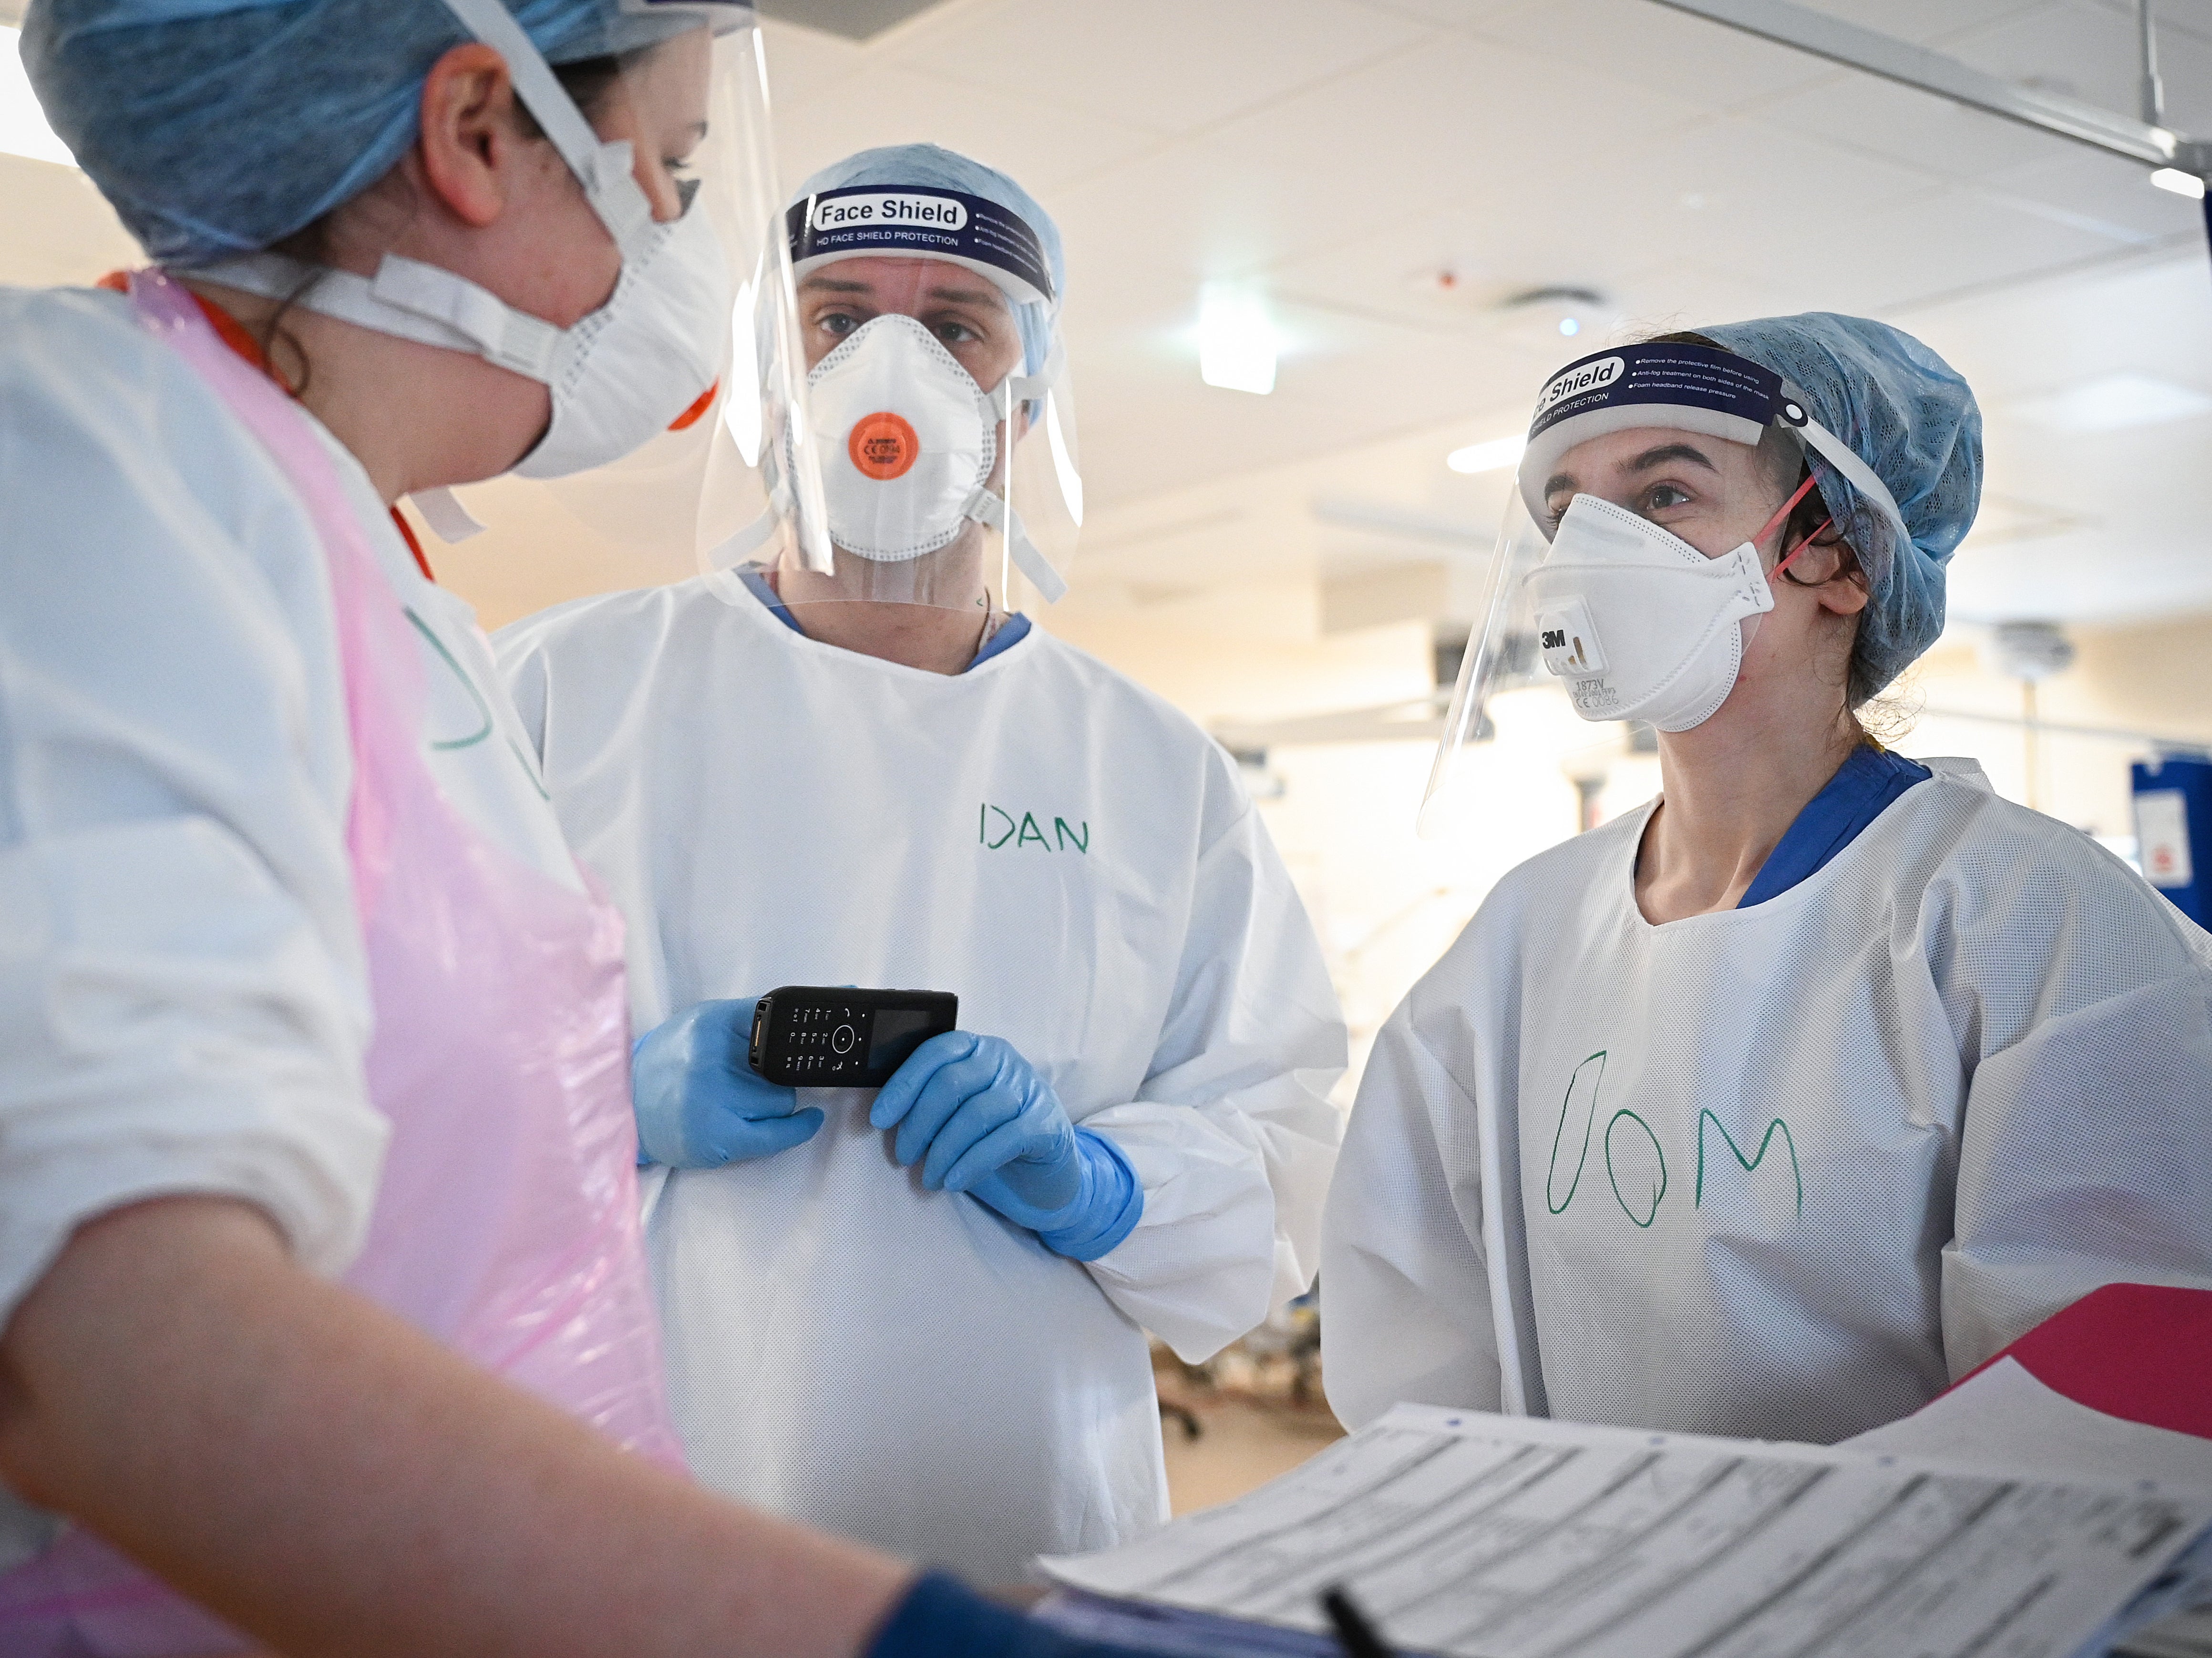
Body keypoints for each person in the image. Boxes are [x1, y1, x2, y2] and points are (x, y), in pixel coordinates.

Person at [0, 5, 1160, 1653]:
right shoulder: (82, 454)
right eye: (674, 174)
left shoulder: (355, 559)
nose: (682, 249)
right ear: (480, 134)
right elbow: (104, 1338)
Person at [494, 143, 1348, 1582]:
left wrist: (1101, 1182)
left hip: (1028, 1523)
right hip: (619, 1520)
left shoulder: (1149, 767)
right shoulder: (560, 695)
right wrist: (602, 1102)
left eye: (956, 326)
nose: (890, 366)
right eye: (837, 319)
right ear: (775, 372)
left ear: (1030, 393)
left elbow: (1282, 1145)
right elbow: (371, 1080)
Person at [1320, 314, 2212, 1445]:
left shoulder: (2032, 917)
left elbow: (2091, 1398)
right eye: (1565, 513)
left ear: (1835, 555)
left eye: (1663, 497)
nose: (1590, 549)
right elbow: (1417, 1344)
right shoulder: (1522, 935)